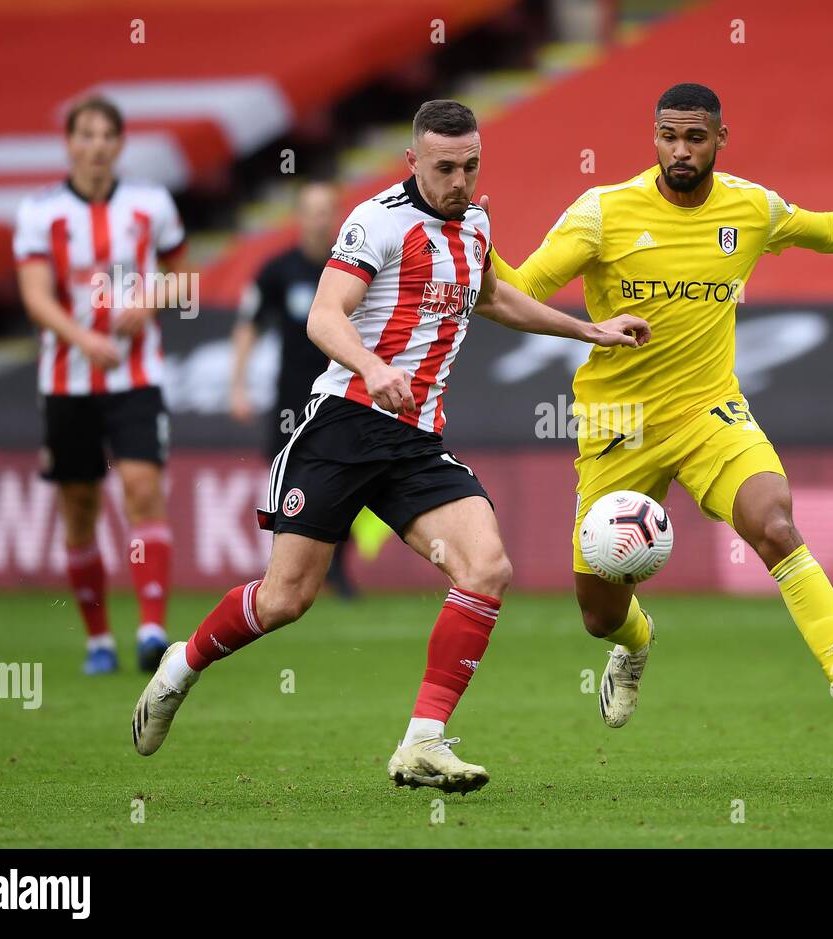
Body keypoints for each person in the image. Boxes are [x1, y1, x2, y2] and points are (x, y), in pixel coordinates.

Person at [131, 100, 650, 794]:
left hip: (417, 441)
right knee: (287, 598)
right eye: (444, 167)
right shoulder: (376, 221)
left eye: (470, 166)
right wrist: (374, 369)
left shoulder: (476, 225)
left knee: (486, 566)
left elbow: (495, 298)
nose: (459, 180)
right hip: (344, 425)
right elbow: (324, 314)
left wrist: (589, 329)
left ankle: (422, 743)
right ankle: (182, 664)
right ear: (413, 161)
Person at [492, 83, 833, 764]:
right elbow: (520, 293)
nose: (680, 150)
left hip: (711, 412)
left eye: (695, 137)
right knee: (598, 614)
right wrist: (480, 244)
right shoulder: (602, 213)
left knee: (778, 526)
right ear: (654, 136)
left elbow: (829, 229)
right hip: (618, 426)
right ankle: (637, 641)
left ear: (720, 139)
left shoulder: (750, 207)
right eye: (669, 136)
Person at [14, 96, 185, 674]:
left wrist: (149, 302)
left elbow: (181, 272)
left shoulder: (150, 203)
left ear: (120, 143)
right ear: (69, 143)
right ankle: (98, 641)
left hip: (137, 377)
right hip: (67, 382)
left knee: (141, 487)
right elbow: (36, 295)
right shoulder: (40, 212)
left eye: (107, 134)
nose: (96, 145)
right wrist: (81, 339)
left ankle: (152, 629)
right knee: (80, 504)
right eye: (85, 134)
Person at [229, 180, 365, 598]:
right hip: (292, 398)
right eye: (312, 210)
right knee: (291, 482)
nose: (320, 218)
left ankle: (336, 572)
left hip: (342, 392)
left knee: (346, 480)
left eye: (327, 210)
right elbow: (249, 326)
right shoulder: (278, 271)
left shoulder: (352, 268)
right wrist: (237, 383)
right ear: (299, 217)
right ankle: (287, 575)